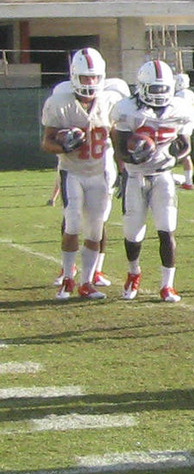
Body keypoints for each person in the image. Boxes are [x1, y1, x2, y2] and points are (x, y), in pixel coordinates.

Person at [40, 47, 125, 300]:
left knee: (96, 228)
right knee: (74, 222)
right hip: (72, 171)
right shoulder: (59, 102)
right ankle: (67, 278)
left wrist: (122, 170)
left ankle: (87, 282)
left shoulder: (111, 100)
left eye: (95, 77)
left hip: (99, 173)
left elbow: (116, 138)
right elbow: (46, 142)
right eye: (86, 77)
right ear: (75, 76)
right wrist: (62, 146)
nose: (91, 82)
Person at [111, 59, 194, 302]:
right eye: (154, 88)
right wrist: (136, 155)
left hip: (163, 176)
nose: (159, 94)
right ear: (142, 86)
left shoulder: (181, 109)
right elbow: (120, 150)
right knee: (133, 234)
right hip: (135, 176)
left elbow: (185, 146)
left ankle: (167, 285)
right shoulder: (127, 109)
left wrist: (173, 155)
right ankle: (133, 272)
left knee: (167, 230)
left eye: (162, 88)